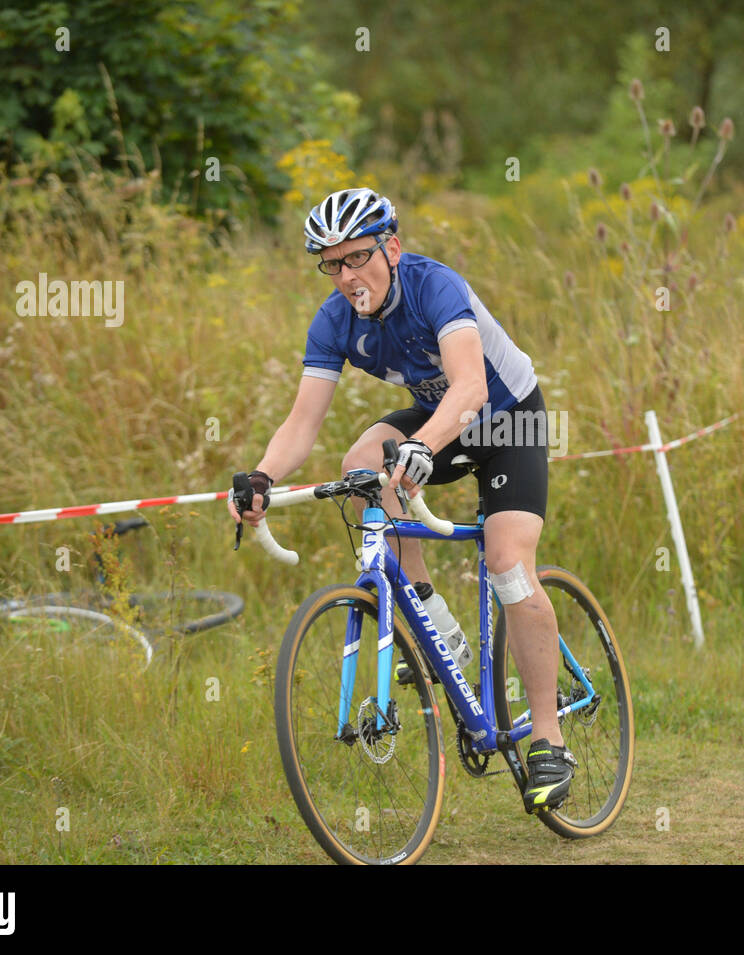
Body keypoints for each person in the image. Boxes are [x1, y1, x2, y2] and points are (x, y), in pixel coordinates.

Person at [228, 187, 575, 812]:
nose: (347, 276)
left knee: (508, 568)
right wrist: (261, 478)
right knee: (362, 464)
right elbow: (303, 422)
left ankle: (548, 737)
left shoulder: (434, 286)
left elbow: (469, 385)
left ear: (392, 247)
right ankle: (435, 622)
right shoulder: (335, 322)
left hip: (508, 420)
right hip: (442, 416)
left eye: (357, 258)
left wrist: (422, 445)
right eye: (331, 263)